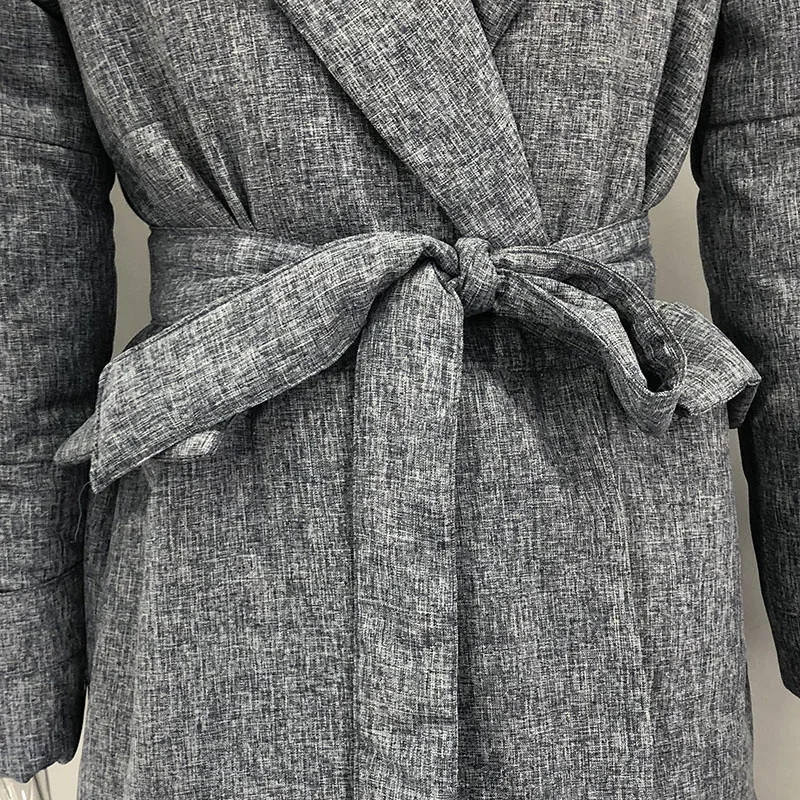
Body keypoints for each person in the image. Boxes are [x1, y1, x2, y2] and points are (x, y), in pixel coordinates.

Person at [1, 0, 798, 797]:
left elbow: (779, 180)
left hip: (600, 527)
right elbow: (24, 265)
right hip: (230, 535)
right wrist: (21, 665)